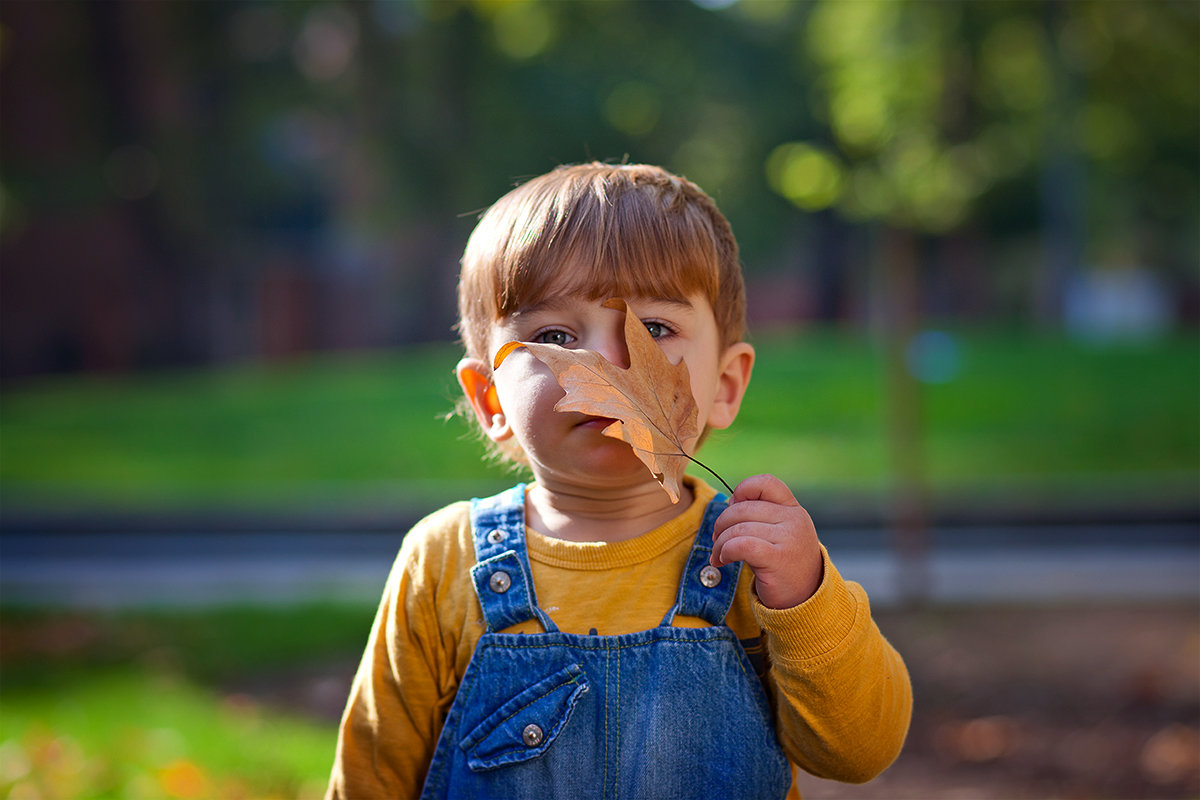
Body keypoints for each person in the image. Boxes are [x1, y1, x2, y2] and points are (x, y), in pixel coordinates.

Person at [326, 163, 912, 799]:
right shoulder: (443, 564)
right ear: (490, 399)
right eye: (554, 337)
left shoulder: (758, 561)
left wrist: (805, 603)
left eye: (654, 329)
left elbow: (862, 751)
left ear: (724, 385)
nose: (607, 363)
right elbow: (371, 780)